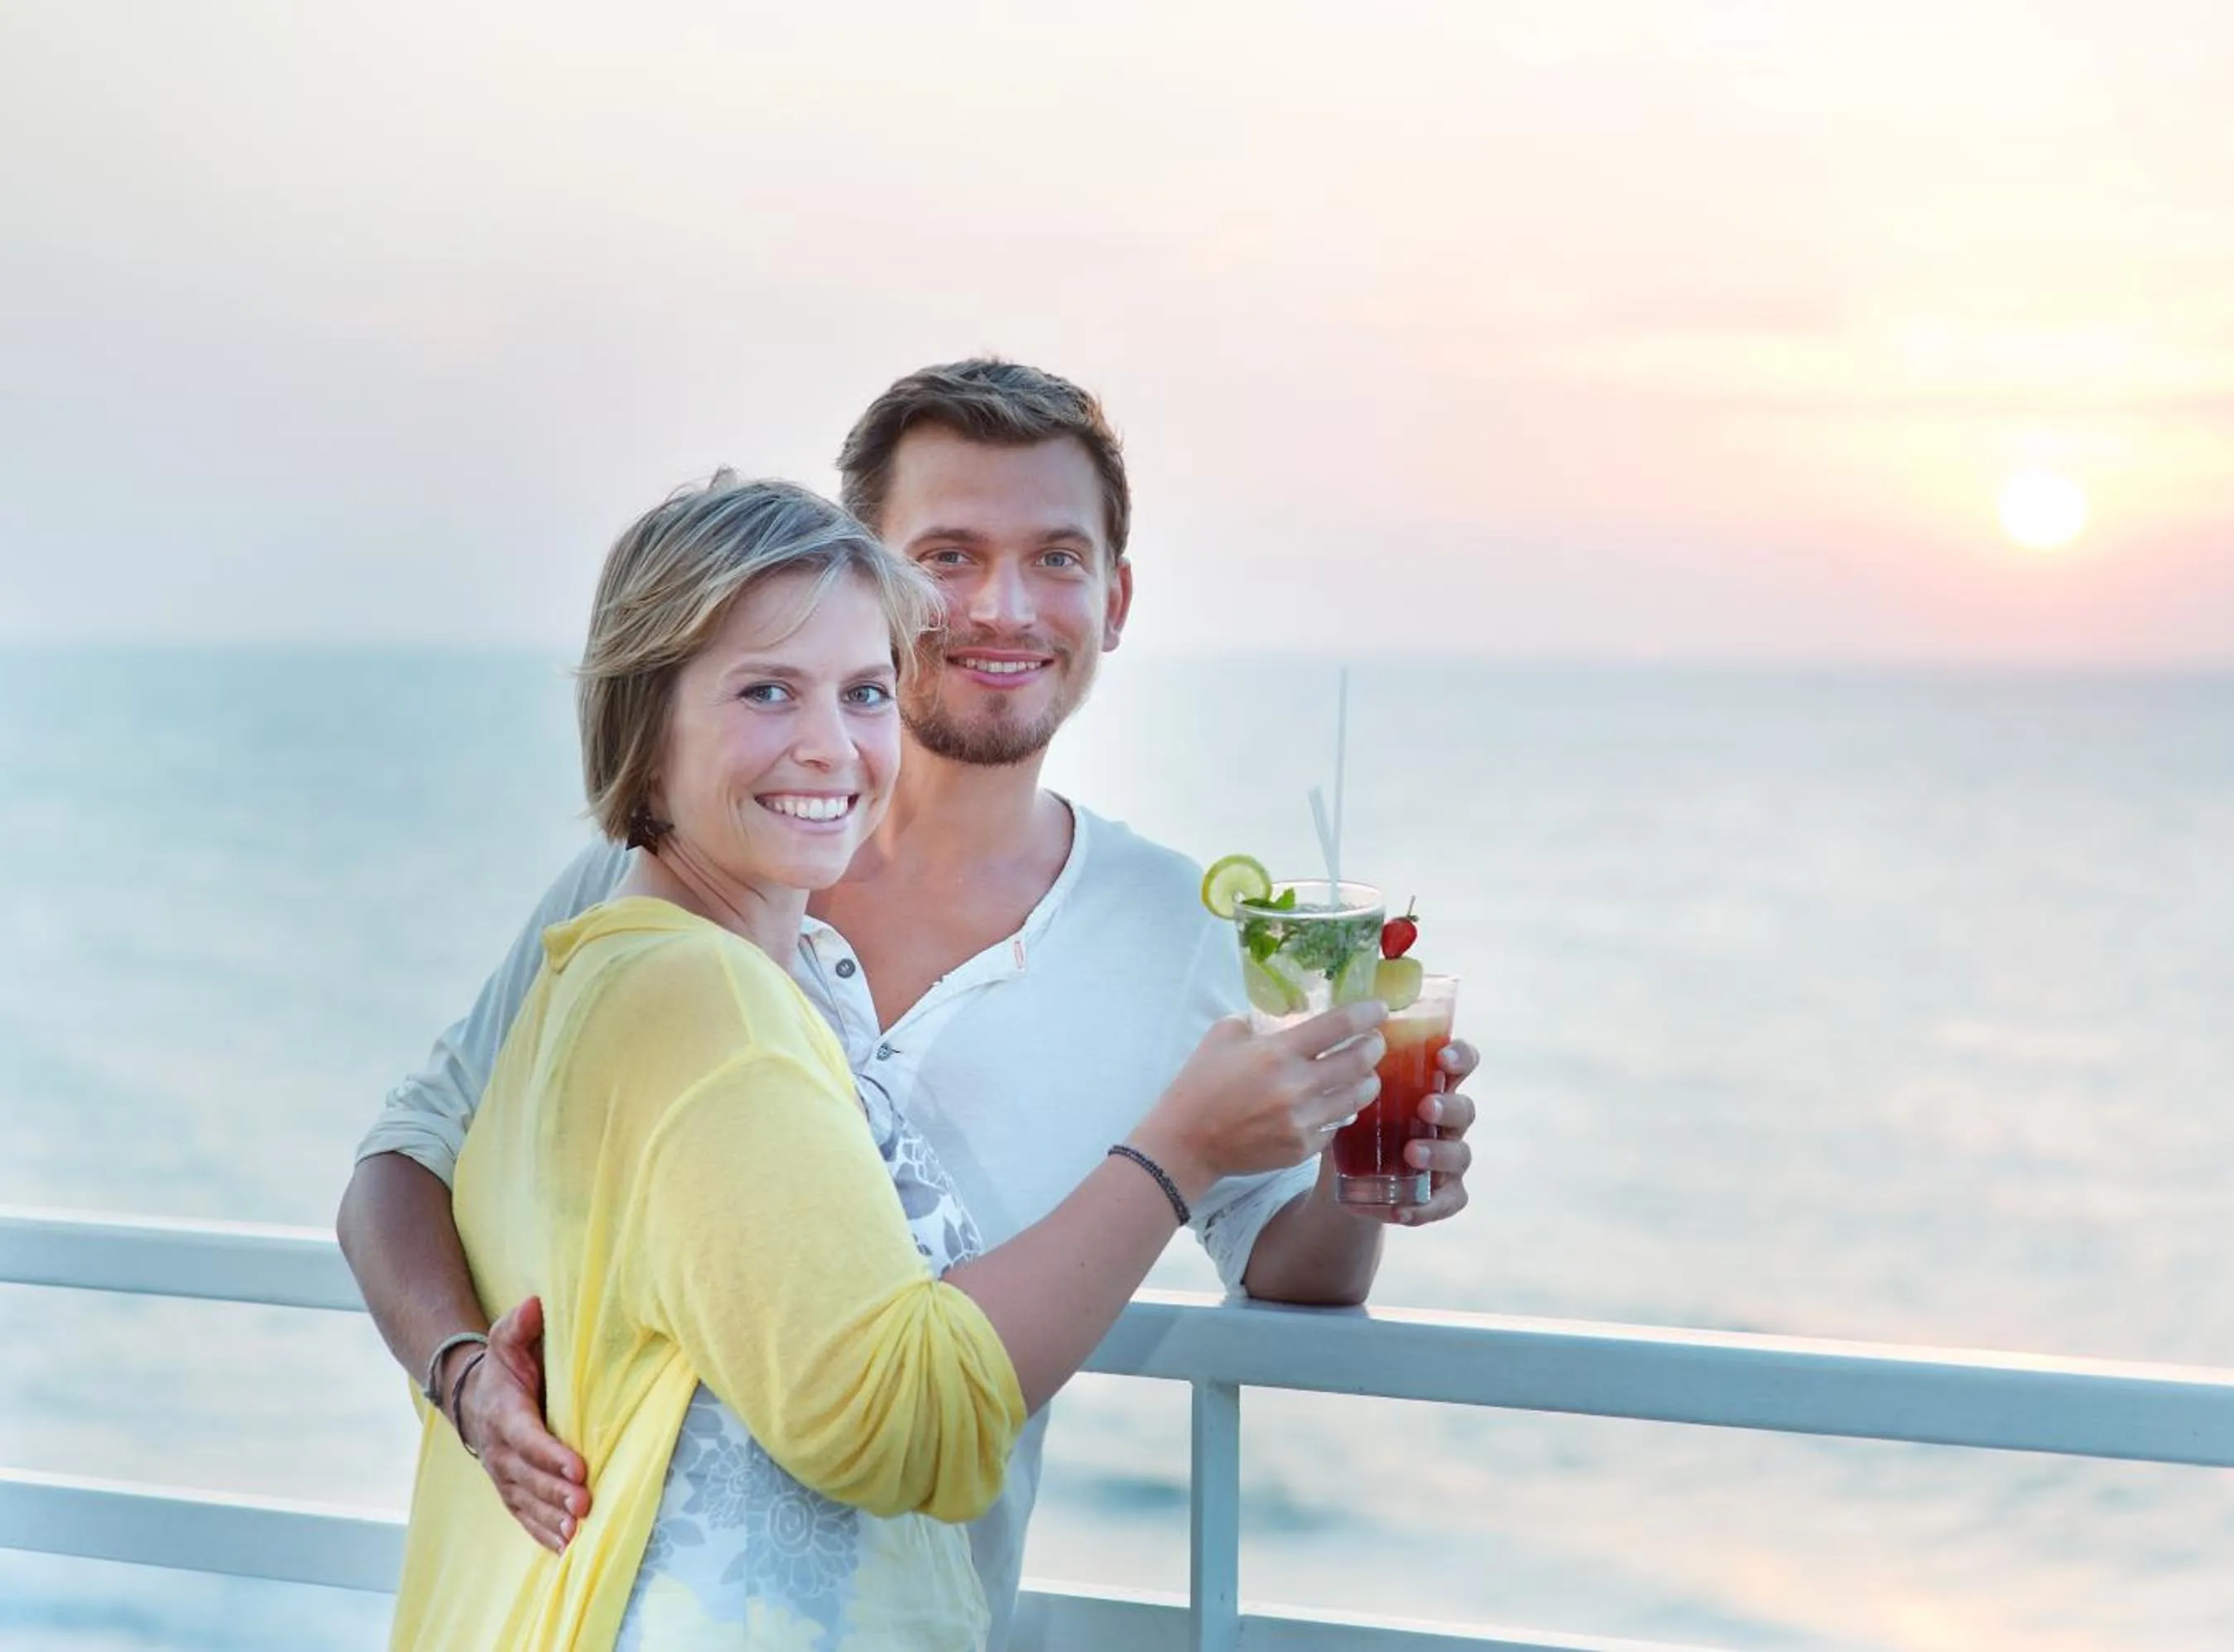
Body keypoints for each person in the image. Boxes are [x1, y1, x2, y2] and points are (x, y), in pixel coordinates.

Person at [338, 360, 1482, 1647]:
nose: (1002, 605)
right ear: (863, 575)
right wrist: (459, 1370)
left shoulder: (1181, 933)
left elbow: (1287, 1270)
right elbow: (403, 1162)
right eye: (948, 554)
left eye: (1056, 557)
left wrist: (1362, 1173)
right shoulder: (652, 889)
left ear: (1115, 598)